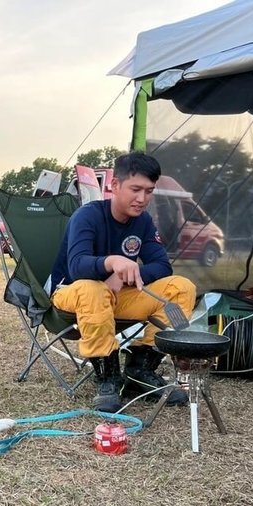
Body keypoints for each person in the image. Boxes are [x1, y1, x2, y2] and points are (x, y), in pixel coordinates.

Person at [48, 152, 196, 412]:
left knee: (181, 287)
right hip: (70, 294)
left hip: (116, 297)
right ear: (114, 186)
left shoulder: (143, 222)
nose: (142, 199)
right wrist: (112, 262)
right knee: (93, 289)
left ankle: (140, 371)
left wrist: (121, 277)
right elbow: (77, 265)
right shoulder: (87, 216)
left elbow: (162, 266)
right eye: (135, 189)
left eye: (149, 191)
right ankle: (107, 377)